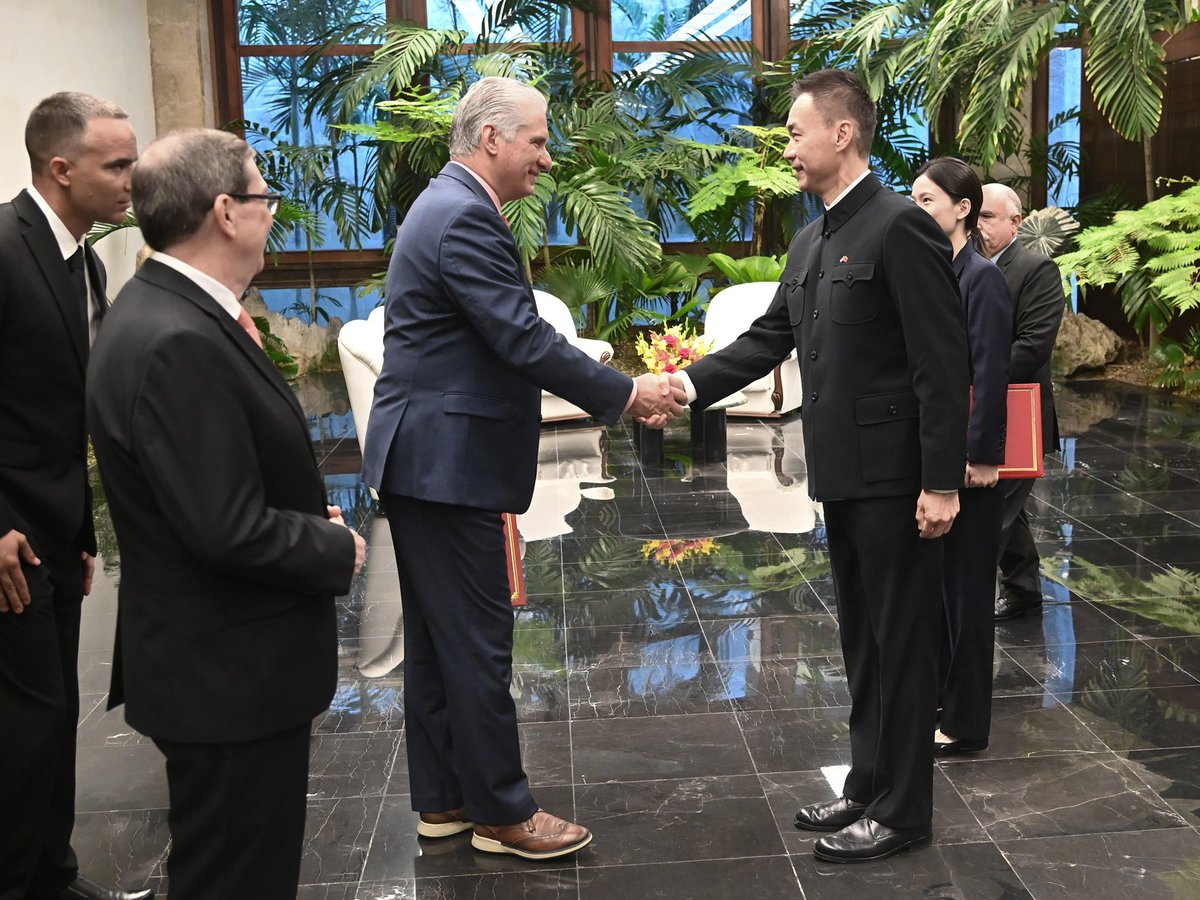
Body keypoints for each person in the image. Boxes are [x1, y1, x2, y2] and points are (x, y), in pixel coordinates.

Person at [360, 75, 684, 861]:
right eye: (538, 140)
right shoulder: (463, 216)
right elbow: (522, 339)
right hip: (447, 462)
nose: (548, 156)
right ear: (492, 138)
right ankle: (505, 814)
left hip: (429, 460)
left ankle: (445, 801)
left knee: (440, 644)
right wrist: (627, 392)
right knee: (474, 641)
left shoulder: (450, 205)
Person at [679, 69, 969, 863]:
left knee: (902, 642)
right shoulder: (813, 238)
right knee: (864, 642)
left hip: (899, 479)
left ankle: (905, 813)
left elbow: (942, 365)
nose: (789, 148)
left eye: (797, 132)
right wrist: (681, 384)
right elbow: (766, 340)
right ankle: (867, 786)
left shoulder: (900, 226)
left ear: (843, 134)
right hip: (840, 476)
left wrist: (942, 480)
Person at [86, 129, 367, 899]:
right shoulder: (177, 338)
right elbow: (224, 526)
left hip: (218, 664)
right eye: (264, 195)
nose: (272, 212)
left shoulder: (170, 309)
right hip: (226, 673)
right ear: (225, 212)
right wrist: (332, 548)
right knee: (235, 876)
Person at [0, 92, 152, 900]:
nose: (132, 178)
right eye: (117, 164)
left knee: (55, 717)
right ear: (61, 169)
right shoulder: (1, 245)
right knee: (26, 725)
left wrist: (81, 532)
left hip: (54, 532)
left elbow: (61, 414)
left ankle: (51, 876)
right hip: (8, 540)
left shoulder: (87, 259)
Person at [911, 158, 1012, 756]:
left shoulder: (982, 278)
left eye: (927, 200)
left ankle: (967, 720)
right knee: (940, 592)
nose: (916, 208)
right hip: (933, 453)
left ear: (962, 209)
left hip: (971, 463)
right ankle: (943, 701)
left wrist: (981, 454)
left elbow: (990, 373)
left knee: (969, 594)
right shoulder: (933, 271)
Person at [978, 183, 1065, 621]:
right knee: (1005, 505)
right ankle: (1024, 590)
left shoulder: (1036, 269)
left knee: (991, 513)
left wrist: (967, 371)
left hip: (1019, 411)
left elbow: (1032, 349)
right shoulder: (963, 264)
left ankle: (961, 595)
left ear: (1016, 222)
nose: (978, 224)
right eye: (974, 214)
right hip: (976, 407)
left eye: (989, 217)